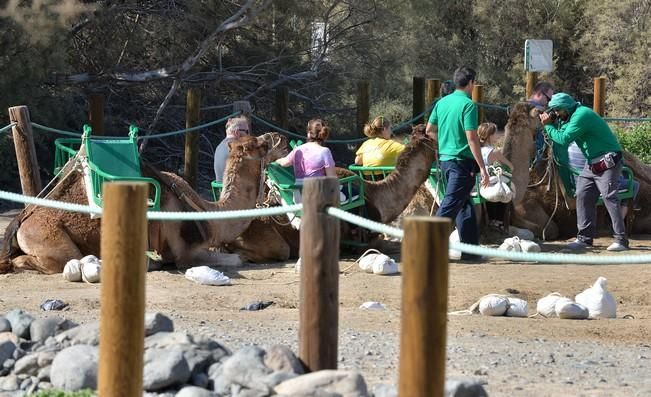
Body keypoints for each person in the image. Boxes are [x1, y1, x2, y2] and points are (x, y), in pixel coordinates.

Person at [540, 93, 628, 251]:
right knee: (583, 195)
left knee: (609, 197)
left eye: (557, 110)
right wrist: (553, 123)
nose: (557, 114)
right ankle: (584, 239)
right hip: (592, 162)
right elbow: (561, 134)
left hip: (607, 160)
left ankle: (621, 240)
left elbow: (564, 138)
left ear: (565, 108)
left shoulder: (582, 115)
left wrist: (548, 125)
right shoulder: (571, 116)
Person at [426, 66, 488, 260]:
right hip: (462, 163)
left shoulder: (442, 102)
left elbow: (429, 129)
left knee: (464, 205)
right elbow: (472, 138)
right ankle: (424, 245)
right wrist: (483, 168)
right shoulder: (469, 105)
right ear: (470, 83)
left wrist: (445, 143)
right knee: (451, 205)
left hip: (445, 161)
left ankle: (471, 251)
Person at [567, 142, 640, 219]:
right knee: (635, 185)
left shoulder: (570, 146)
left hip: (577, 181)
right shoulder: (590, 147)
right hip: (595, 184)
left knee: (621, 176)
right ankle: (621, 216)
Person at [478, 122, 514, 228]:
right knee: (503, 188)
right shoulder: (494, 152)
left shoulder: (476, 149)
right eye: (496, 133)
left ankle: (491, 220)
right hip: (487, 182)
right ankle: (498, 220)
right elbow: (510, 167)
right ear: (490, 136)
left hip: (477, 181)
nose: (497, 135)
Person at [213, 117, 250, 182]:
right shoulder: (238, 149)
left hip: (220, 190)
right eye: (247, 131)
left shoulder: (219, 147)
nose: (249, 135)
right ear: (236, 132)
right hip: (235, 190)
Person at [528, 82, 555, 166]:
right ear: (539, 94)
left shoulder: (521, 107)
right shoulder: (534, 110)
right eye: (548, 99)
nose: (549, 103)